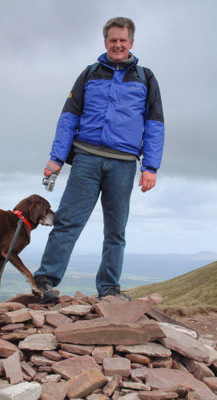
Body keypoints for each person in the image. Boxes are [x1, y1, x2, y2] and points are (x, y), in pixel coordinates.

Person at [34, 17, 165, 303]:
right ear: (105, 42)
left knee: (115, 230)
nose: (117, 45)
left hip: (124, 164)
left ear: (131, 42)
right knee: (67, 222)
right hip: (86, 160)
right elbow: (68, 117)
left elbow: (154, 124)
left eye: (123, 40)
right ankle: (45, 281)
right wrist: (56, 159)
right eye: (112, 40)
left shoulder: (146, 77)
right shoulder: (90, 73)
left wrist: (150, 167)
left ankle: (108, 289)